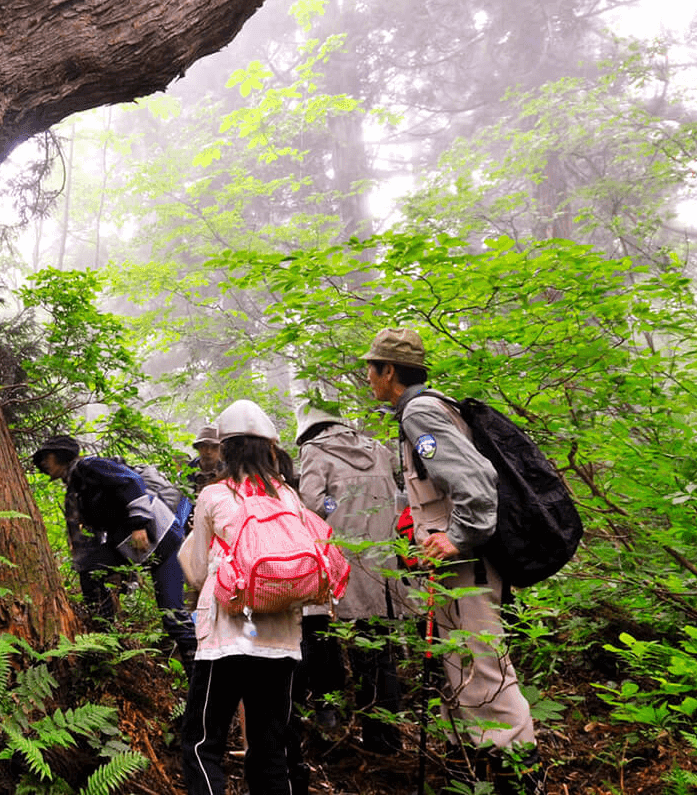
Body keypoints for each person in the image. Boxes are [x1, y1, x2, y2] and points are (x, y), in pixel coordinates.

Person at [362, 327, 540, 793]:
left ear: (391, 372)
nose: (367, 377)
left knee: (486, 674)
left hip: (468, 570)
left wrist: (457, 537)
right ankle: (475, 775)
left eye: (372, 368)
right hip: (456, 572)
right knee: (463, 672)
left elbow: (477, 481)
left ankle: (518, 781)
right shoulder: (424, 411)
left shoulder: (420, 412)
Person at [178, 400, 306, 795]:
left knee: (203, 744)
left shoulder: (215, 495)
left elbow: (199, 572)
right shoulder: (289, 498)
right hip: (281, 642)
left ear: (225, 450)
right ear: (270, 450)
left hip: (227, 640)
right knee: (270, 751)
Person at [32, 435, 197, 670]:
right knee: (88, 568)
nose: (43, 465)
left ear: (59, 455)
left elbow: (131, 481)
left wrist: (139, 523)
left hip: (162, 539)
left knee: (173, 615)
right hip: (133, 547)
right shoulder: (75, 488)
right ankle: (106, 636)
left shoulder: (90, 466)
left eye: (46, 458)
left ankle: (200, 675)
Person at [294, 401, 403, 754]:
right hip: (381, 569)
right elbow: (399, 494)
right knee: (377, 653)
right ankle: (384, 739)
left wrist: (334, 508)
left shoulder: (314, 452)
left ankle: (330, 736)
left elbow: (311, 503)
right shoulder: (378, 449)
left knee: (322, 643)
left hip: (334, 566)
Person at [187, 423, 224, 493]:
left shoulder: (228, 474)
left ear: (221, 449)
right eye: (204, 446)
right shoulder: (187, 474)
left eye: (214, 447)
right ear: (198, 448)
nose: (209, 451)